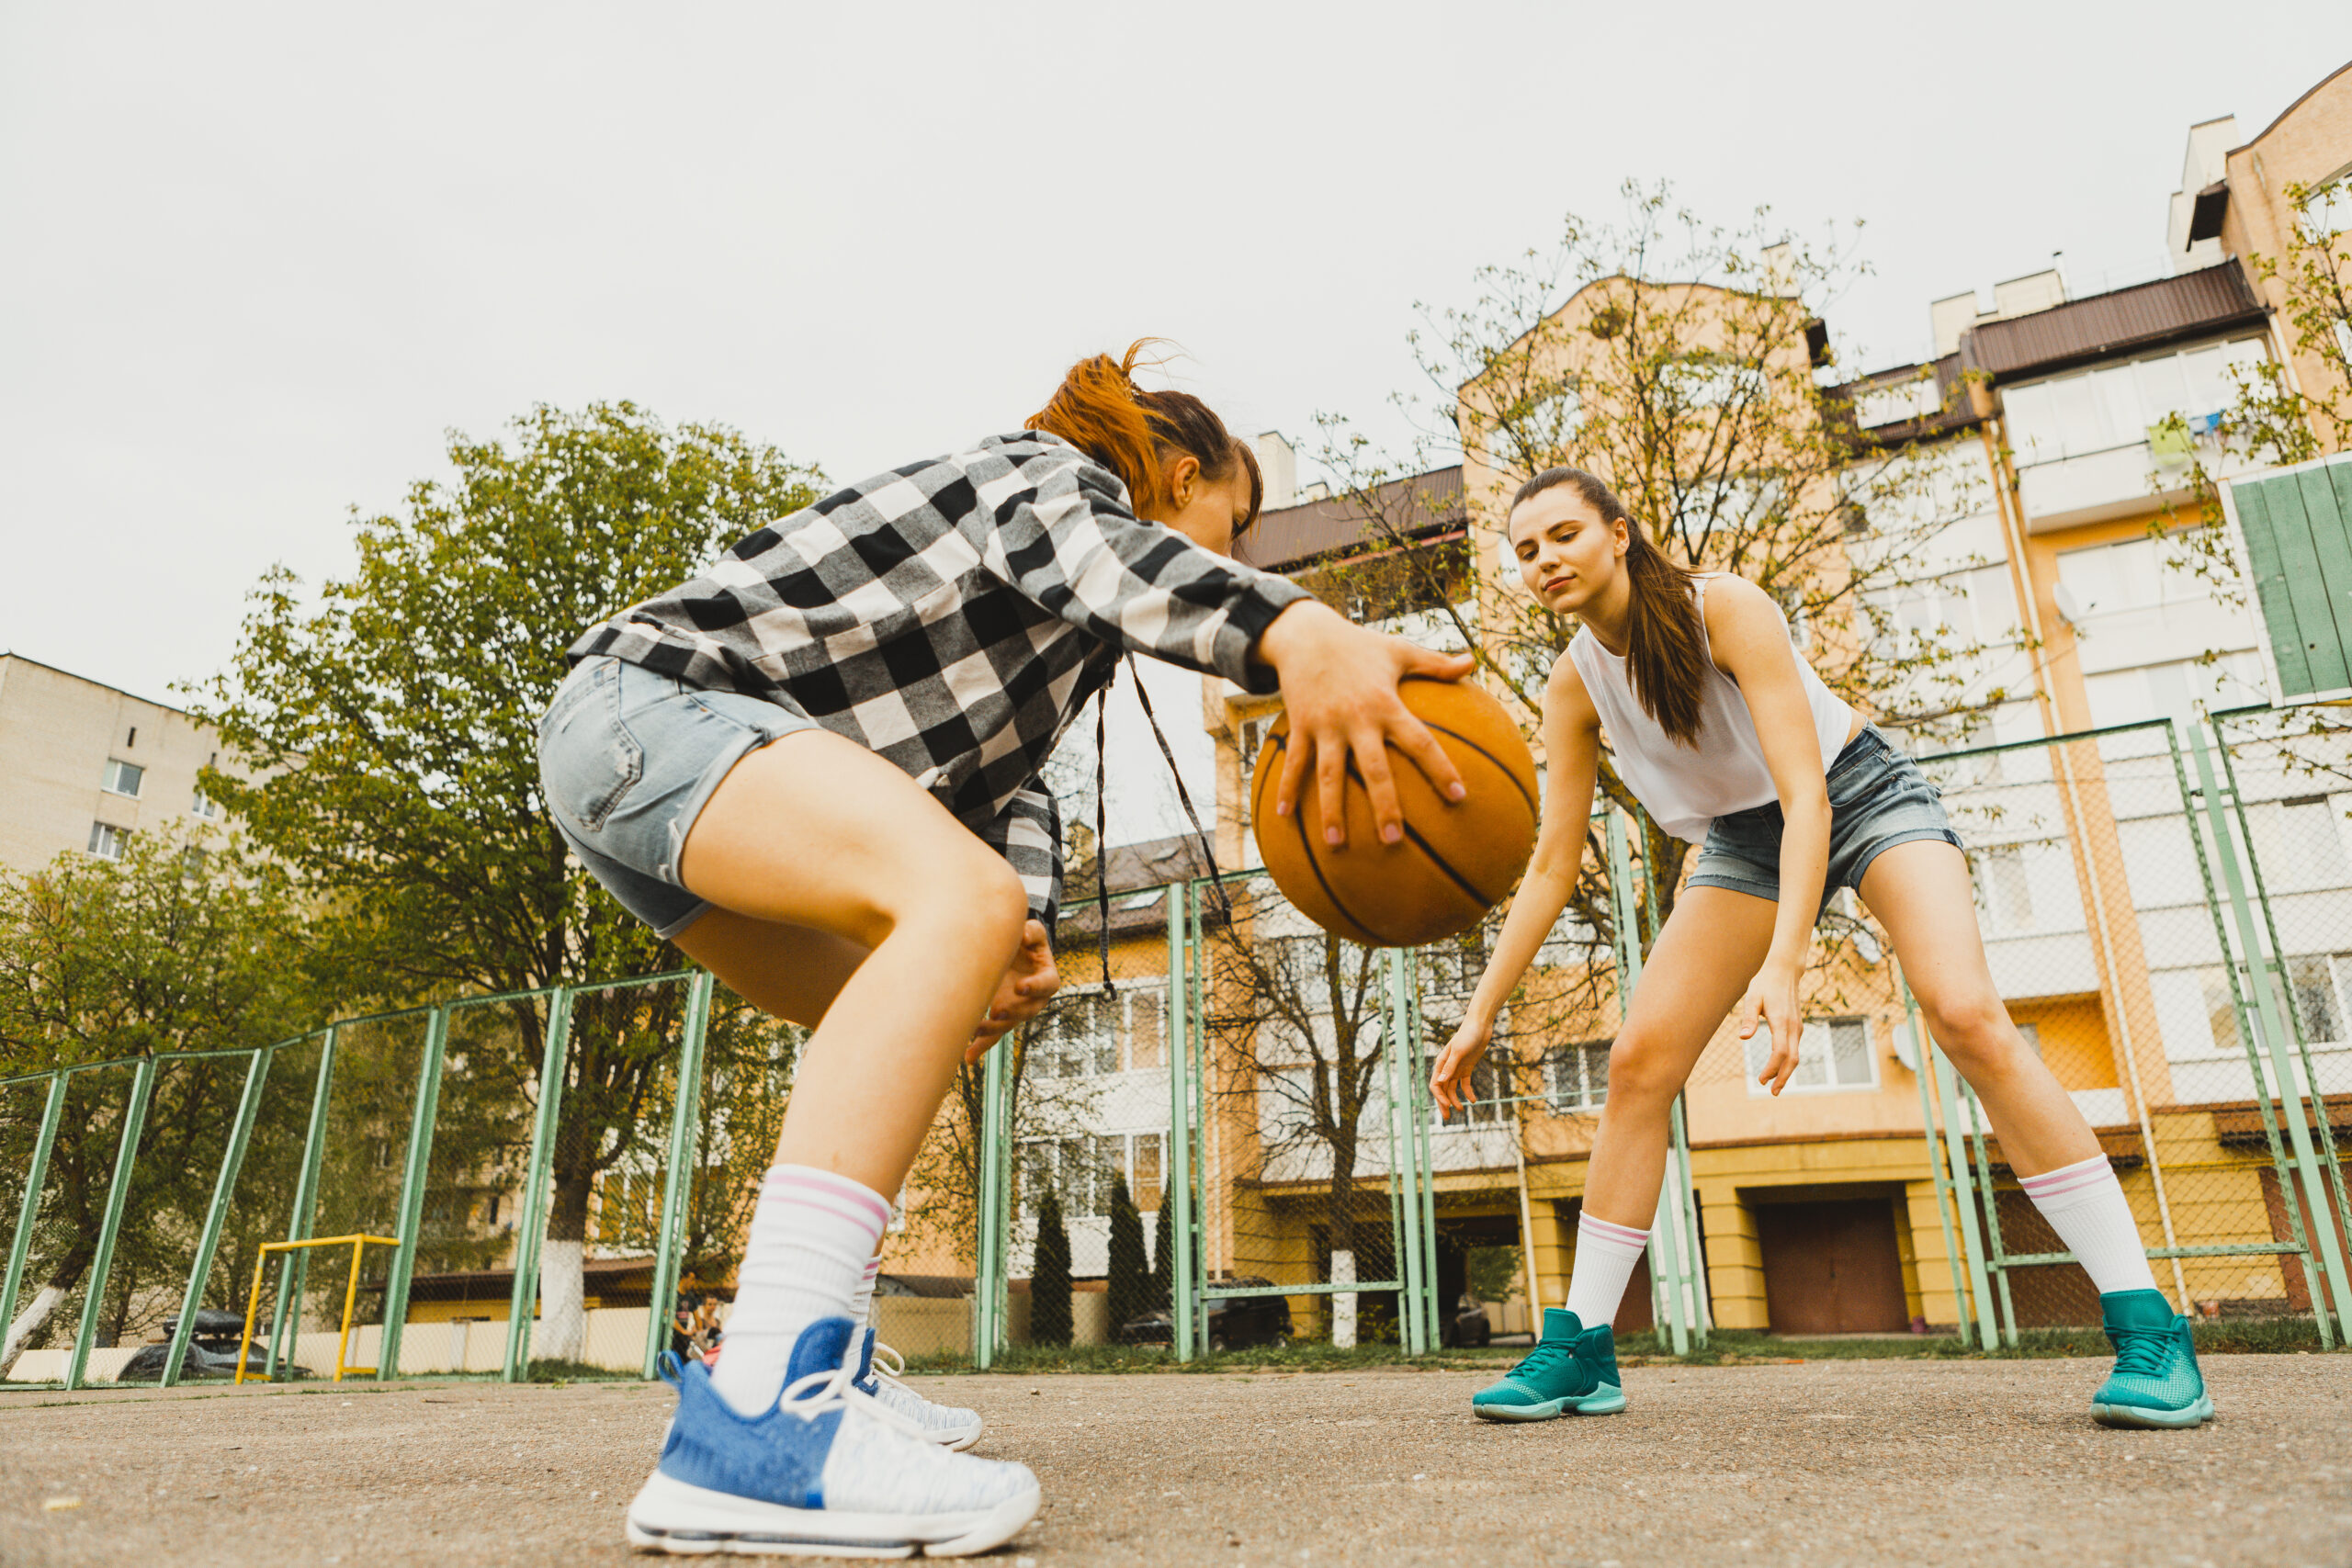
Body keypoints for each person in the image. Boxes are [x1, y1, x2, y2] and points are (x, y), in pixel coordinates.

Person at [538, 343, 1473, 1557]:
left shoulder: (1055, 651)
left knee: (919, 1013)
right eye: (1230, 523)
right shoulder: (1040, 477)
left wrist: (1014, 920)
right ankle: (764, 1416)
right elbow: (1111, 559)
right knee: (947, 919)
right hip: (649, 709)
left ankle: (818, 1359)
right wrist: (1294, 627)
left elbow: (1006, 788)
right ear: (1177, 471)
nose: (1232, 554)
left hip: (670, 769)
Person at [1430, 466, 2211, 1432]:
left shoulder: (1728, 608)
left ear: (1619, 535)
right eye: (1526, 549)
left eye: (1562, 535)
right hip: (1741, 843)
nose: (1544, 558)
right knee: (1634, 1064)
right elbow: (1551, 867)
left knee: (1965, 1016)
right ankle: (1583, 1348)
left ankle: (2150, 1327)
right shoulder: (1574, 683)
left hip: (1862, 796)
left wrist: (1783, 965)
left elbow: (1809, 795)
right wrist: (1477, 1016)